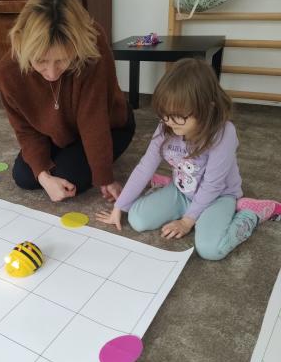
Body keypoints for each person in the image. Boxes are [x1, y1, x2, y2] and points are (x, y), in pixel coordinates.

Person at [97, 58, 281, 260]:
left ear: (207, 107)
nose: (169, 121)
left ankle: (251, 213)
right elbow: (145, 167)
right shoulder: (166, 125)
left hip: (218, 196)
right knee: (136, 219)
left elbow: (213, 184)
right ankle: (168, 186)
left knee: (211, 250)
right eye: (165, 113)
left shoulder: (223, 133)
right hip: (182, 190)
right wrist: (119, 206)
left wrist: (187, 221)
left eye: (179, 115)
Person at [0, 0, 135, 203]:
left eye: (62, 60)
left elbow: (94, 119)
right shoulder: (8, 71)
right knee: (25, 176)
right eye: (41, 61)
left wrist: (104, 177)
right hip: (57, 132)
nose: (52, 73)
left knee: (70, 177)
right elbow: (25, 129)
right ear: (23, 44)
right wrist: (43, 176)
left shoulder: (92, 46)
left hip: (110, 124)